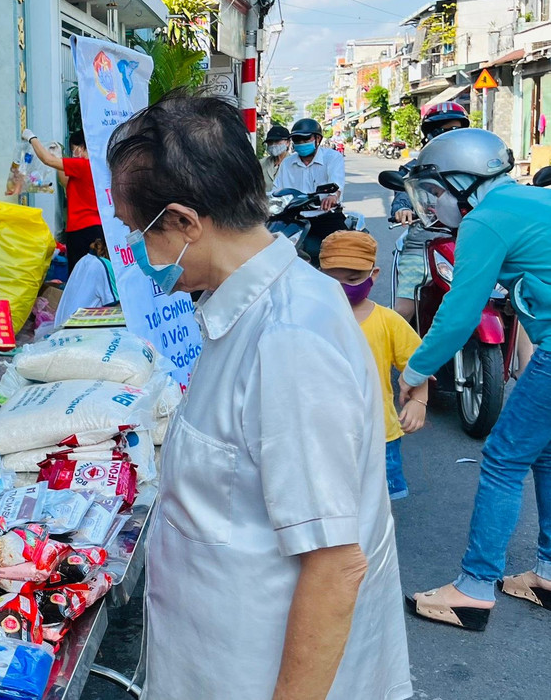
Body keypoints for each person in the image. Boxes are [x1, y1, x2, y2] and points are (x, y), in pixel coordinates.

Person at [113, 94, 409, 699]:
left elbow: (334, 567)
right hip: (219, 661)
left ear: (186, 222)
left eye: (137, 234)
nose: (137, 256)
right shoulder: (249, 309)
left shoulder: (288, 341)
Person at [396, 129, 551, 632]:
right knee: (544, 454)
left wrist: (414, 372)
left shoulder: (484, 220)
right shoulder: (530, 200)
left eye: (436, 191)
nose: (435, 204)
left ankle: (473, 590)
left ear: (464, 180)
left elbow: (460, 313)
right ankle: (548, 572)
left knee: (504, 459)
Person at [319, 232, 429, 500]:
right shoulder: (309, 318)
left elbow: (417, 365)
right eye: (331, 280)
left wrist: (419, 401)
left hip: (380, 436)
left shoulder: (388, 321)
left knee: (380, 502)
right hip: (324, 436)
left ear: (374, 274)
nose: (343, 287)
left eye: (353, 278)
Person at [390, 102, 470, 322]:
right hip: (424, 244)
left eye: (456, 130)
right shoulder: (415, 168)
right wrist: (403, 209)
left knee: (519, 300)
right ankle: (391, 355)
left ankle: (531, 356)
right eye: (442, 131)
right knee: (402, 310)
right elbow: (403, 194)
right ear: (430, 134)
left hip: (473, 242)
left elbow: (497, 188)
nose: (450, 136)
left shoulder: (474, 164)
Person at [22, 127, 102, 272]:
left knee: (78, 275)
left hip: (80, 229)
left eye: (74, 149)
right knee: (95, 273)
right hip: (96, 228)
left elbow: (47, 160)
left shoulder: (83, 165)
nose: (73, 154)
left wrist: (32, 138)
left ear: (81, 147)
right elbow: (66, 182)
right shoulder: (99, 167)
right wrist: (59, 157)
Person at [274, 117, 347, 261]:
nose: (301, 143)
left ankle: (345, 282)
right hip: (294, 218)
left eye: (305, 139)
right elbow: (277, 189)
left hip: (325, 216)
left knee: (343, 252)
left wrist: (332, 196)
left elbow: (337, 183)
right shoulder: (287, 163)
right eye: (297, 140)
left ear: (318, 139)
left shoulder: (332, 158)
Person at [53, 239, 117, 328]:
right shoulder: (103, 264)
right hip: (78, 330)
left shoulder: (85, 259)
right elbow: (116, 305)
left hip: (63, 328)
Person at [259, 124, 290, 191]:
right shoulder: (261, 163)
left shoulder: (295, 163)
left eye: (277, 141)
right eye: (270, 142)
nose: (273, 145)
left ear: (288, 142)